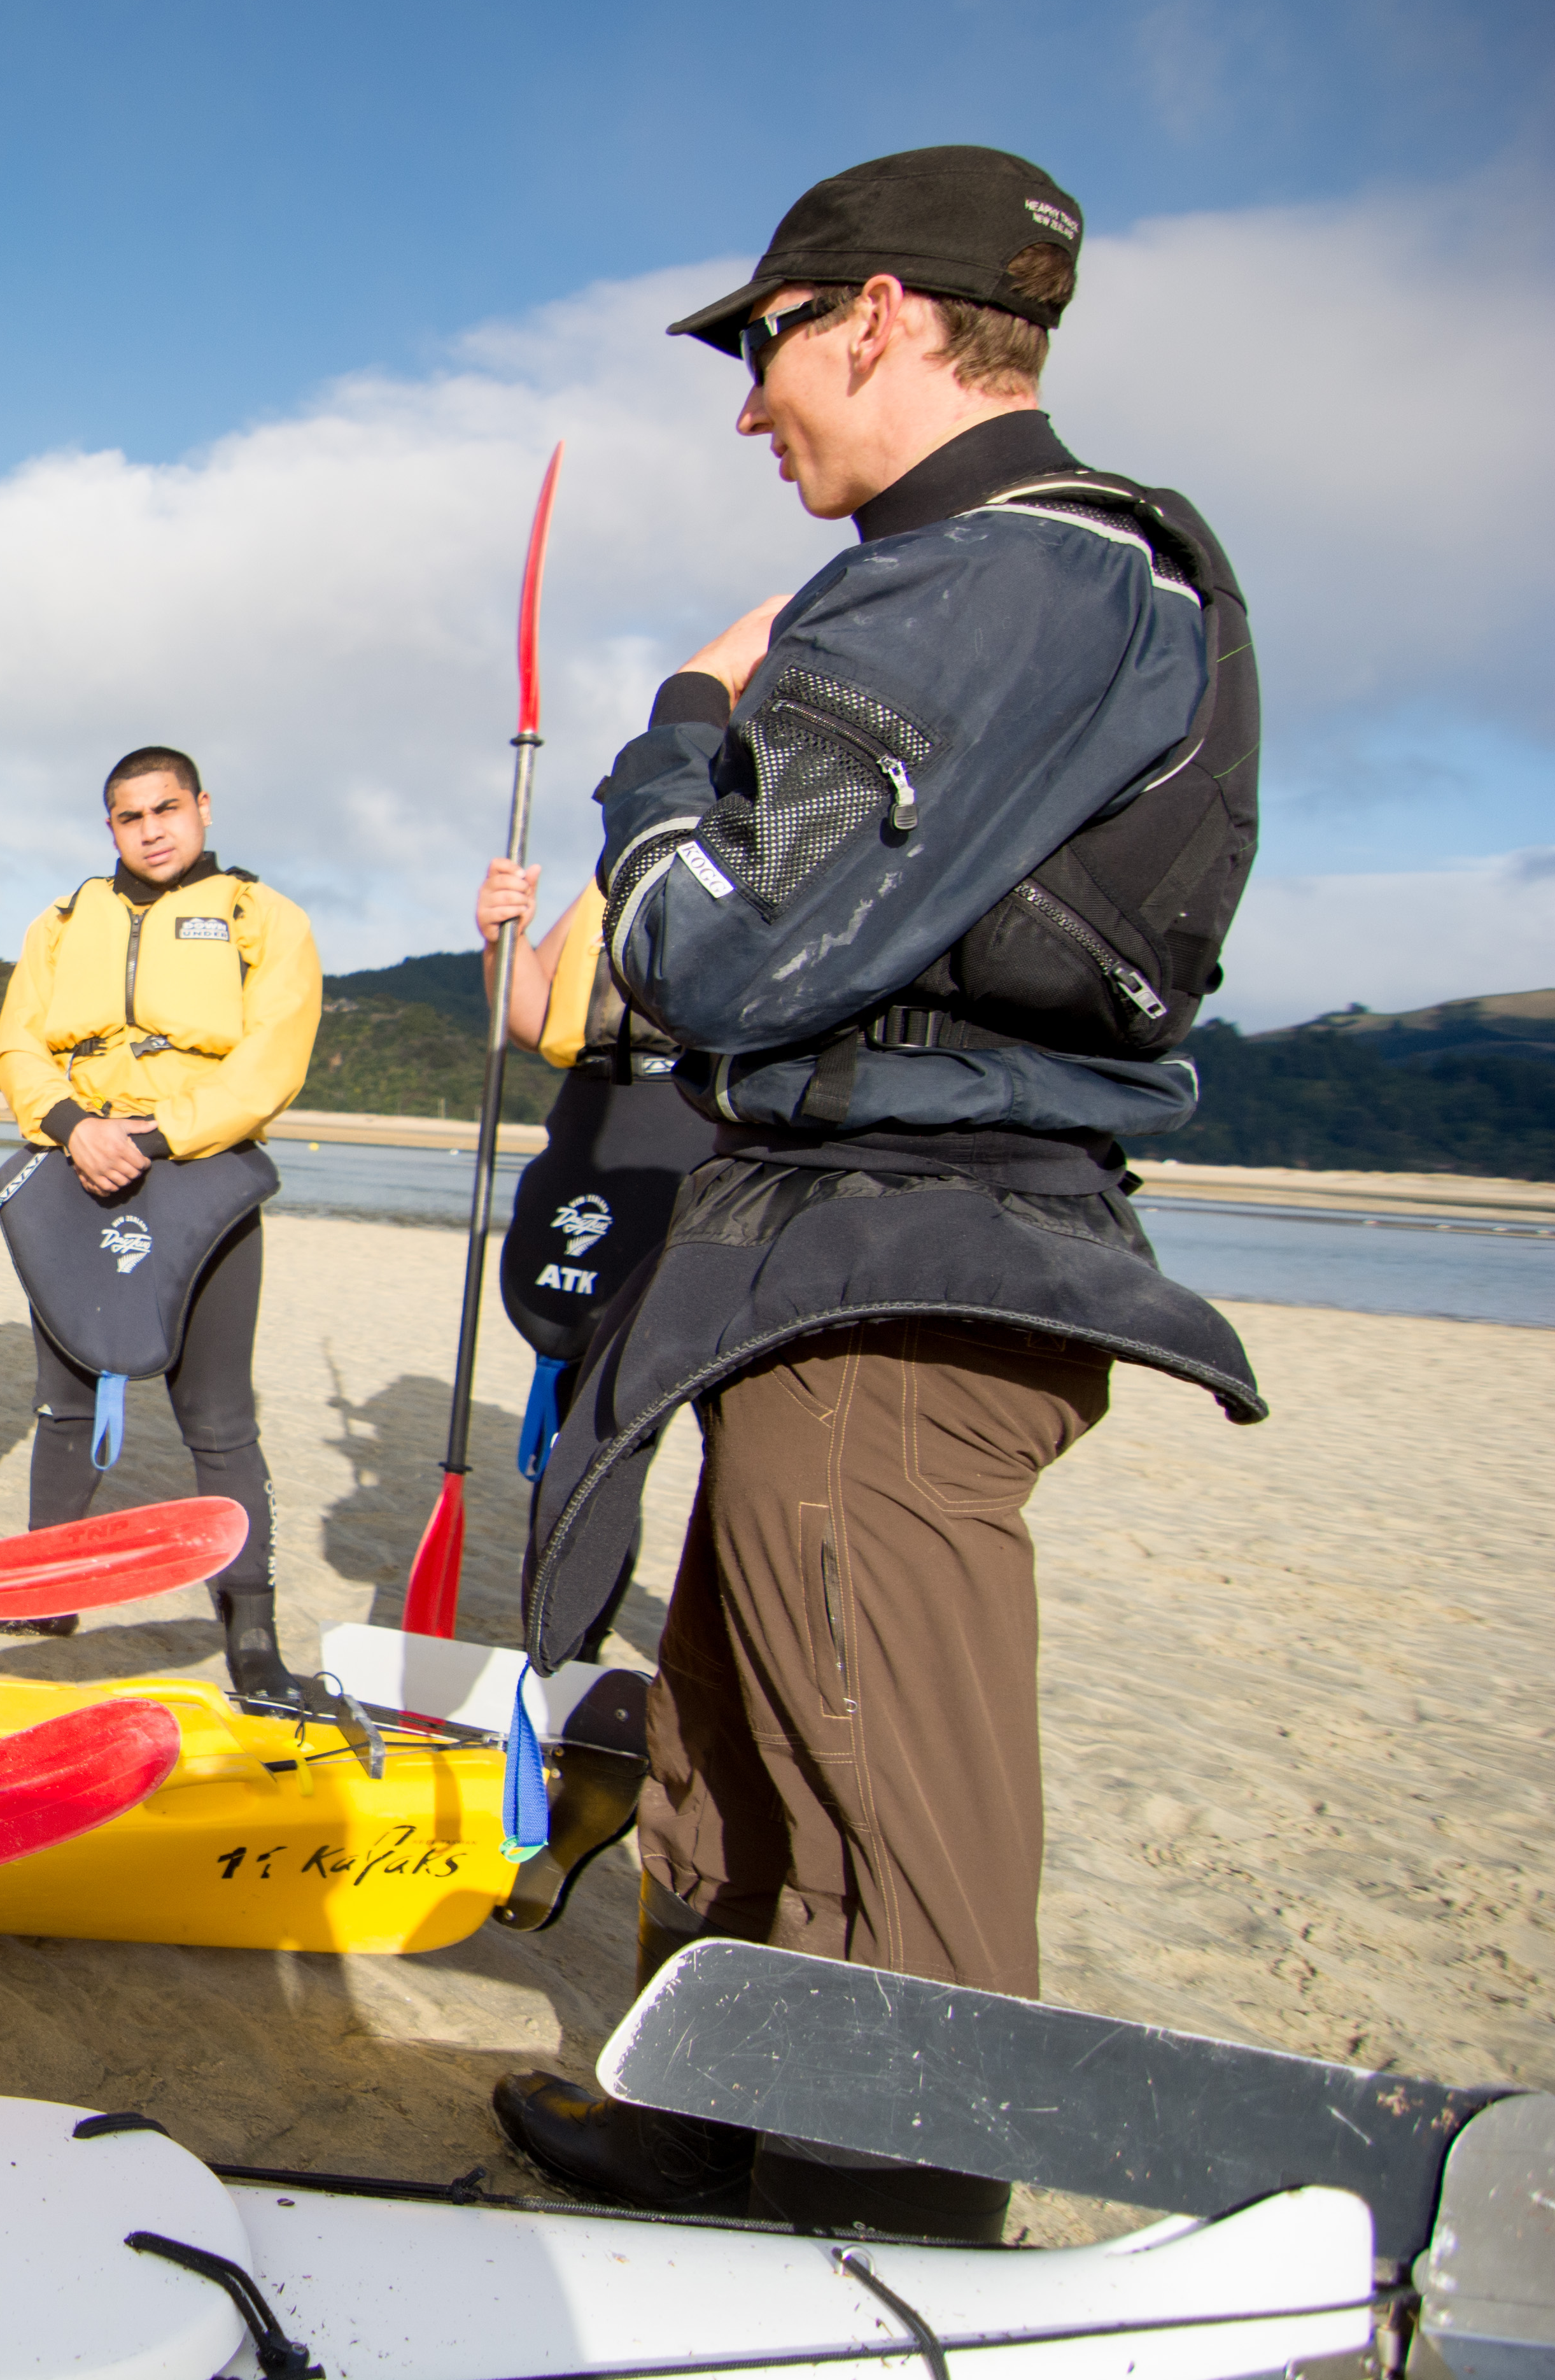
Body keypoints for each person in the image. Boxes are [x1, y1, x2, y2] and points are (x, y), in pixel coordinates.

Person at [496, 148, 1264, 2244]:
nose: (752, 406)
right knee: (734, 1739)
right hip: (823, 1252)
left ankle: (889, 2235)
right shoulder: (984, 572)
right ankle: (706, 2123)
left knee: (885, 1798)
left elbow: (729, 953)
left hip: (911, 1265)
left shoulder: (1019, 572)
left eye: (766, 346)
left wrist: (676, 728)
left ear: (882, 319)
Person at [0, 748, 320, 1689]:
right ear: (111, 828)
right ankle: (48, 1596)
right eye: (131, 817)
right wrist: (70, 1126)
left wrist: (157, 1138)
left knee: (217, 1419)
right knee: (64, 1403)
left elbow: (272, 1058)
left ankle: (251, 1636)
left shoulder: (264, 918)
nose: (152, 829)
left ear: (203, 808)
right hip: (76, 1160)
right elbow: (15, 1043)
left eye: (167, 809)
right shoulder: (61, 923)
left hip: (199, 1172)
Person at [470, 759, 720, 1477]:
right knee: (589, 1442)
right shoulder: (615, 875)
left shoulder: (761, 854)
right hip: (589, 1135)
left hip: (692, 1135)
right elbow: (534, 1016)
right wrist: (501, 939)